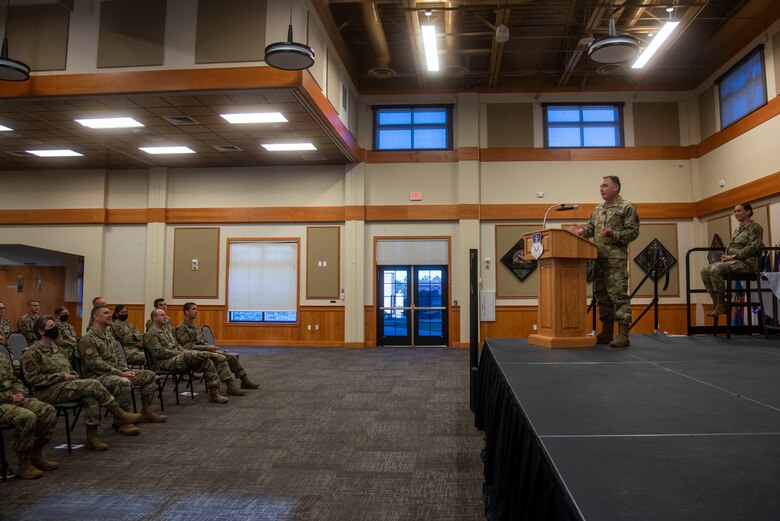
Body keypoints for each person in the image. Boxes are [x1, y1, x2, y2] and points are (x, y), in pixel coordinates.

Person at [21, 315, 142, 451]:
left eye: (54, 326)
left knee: (92, 397)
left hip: (64, 387)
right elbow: (33, 379)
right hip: (46, 391)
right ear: (41, 332)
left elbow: (69, 369)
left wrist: (72, 375)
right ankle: (119, 413)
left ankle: (92, 437)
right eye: (50, 327)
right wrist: (61, 377)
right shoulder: (32, 353)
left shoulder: (57, 349)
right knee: (93, 384)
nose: (55, 329)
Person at [571, 176, 640, 347]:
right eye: (600, 186)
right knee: (602, 296)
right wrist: (582, 231)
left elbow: (633, 233)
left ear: (615, 187)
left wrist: (613, 234)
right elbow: (592, 230)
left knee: (618, 296)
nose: (601, 189)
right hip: (598, 258)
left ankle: (623, 335)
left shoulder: (626, 207)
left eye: (605, 186)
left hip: (615, 259)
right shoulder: (598, 209)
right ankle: (607, 332)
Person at [79, 306, 167, 435]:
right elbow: (95, 364)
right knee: (123, 382)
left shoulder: (109, 337)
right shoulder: (88, 339)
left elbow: (119, 358)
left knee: (149, 375)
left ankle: (146, 411)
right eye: (105, 313)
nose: (110, 315)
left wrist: (125, 369)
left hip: (116, 373)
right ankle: (123, 422)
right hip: (97, 377)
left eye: (110, 312)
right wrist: (120, 373)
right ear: (95, 317)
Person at [144, 308, 229, 404]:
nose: (165, 317)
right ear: (154, 318)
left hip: (177, 358)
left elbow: (176, 345)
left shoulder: (166, 331)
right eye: (162, 315)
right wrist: (180, 353)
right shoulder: (150, 334)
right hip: (165, 362)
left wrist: (182, 350)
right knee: (188, 355)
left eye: (165, 314)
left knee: (207, 363)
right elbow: (159, 352)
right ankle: (209, 355)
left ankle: (214, 394)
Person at [175, 302, 259, 395]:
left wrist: (208, 346)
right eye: (193, 309)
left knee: (231, 357)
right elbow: (187, 347)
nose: (196, 311)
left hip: (205, 351)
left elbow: (202, 341)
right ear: (186, 311)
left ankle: (244, 380)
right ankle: (230, 386)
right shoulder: (181, 328)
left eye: (196, 309)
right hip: (195, 356)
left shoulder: (195, 326)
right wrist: (206, 347)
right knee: (220, 359)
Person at [0, 345, 58, 479]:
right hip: (3, 401)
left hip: (12, 397)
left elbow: (14, 380)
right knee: (27, 417)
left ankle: (35, 455)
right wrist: (9, 398)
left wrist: (20, 393)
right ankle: (23, 464)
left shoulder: (2, 358)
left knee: (47, 410)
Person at [700, 202, 764, 316]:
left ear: (748, 212)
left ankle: (721, 304)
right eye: (735, 211)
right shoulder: (737, 230)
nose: (736, 214)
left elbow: (753, 246)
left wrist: (733, 256)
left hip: (747, 264)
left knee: (716, 269)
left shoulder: (755, 228)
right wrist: (727, 257)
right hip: (734, 262)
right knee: (705, 270)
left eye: (739, 211)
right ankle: (717, 302)